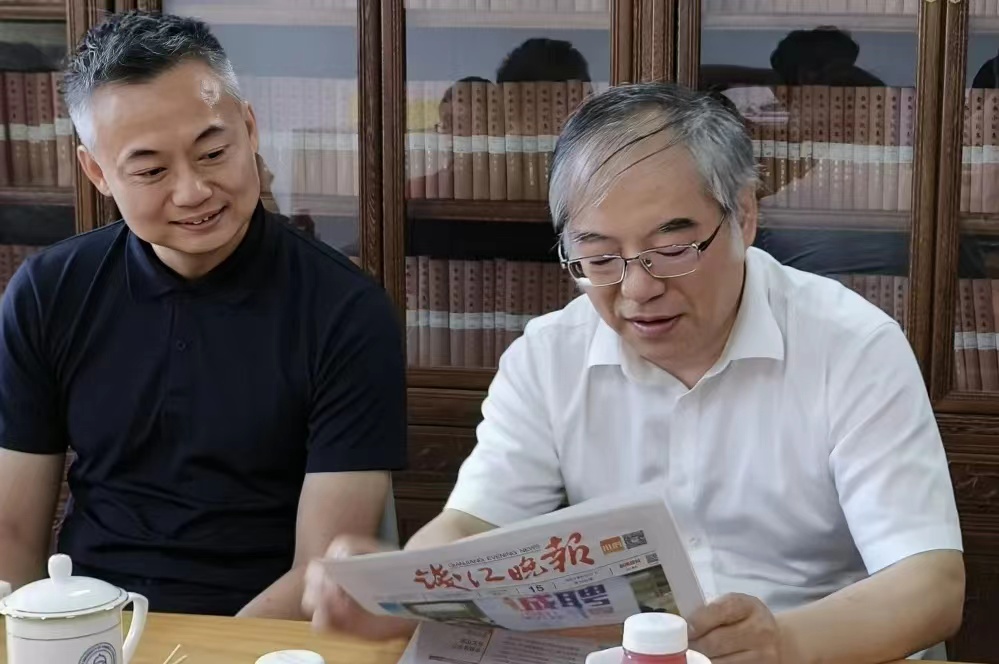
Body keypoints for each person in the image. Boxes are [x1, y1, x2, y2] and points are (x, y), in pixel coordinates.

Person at [304, 83, 965, 663]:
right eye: (598, 258)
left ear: (744, 216)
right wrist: (400, 587)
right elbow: (472, 528)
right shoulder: (548, 357)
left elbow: (929, 584)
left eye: (671, 249)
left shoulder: (852, 346)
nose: (637, 288)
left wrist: (784, 644)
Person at [0, 11, 406, 619]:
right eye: (151, 170)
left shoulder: (346, 311)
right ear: (98, 173)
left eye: (213, 152)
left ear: (250, 129)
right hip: (89, 625)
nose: (193, 191)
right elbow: (11, 534)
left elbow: (321, 571)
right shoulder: (48, 293)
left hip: (262, 634)